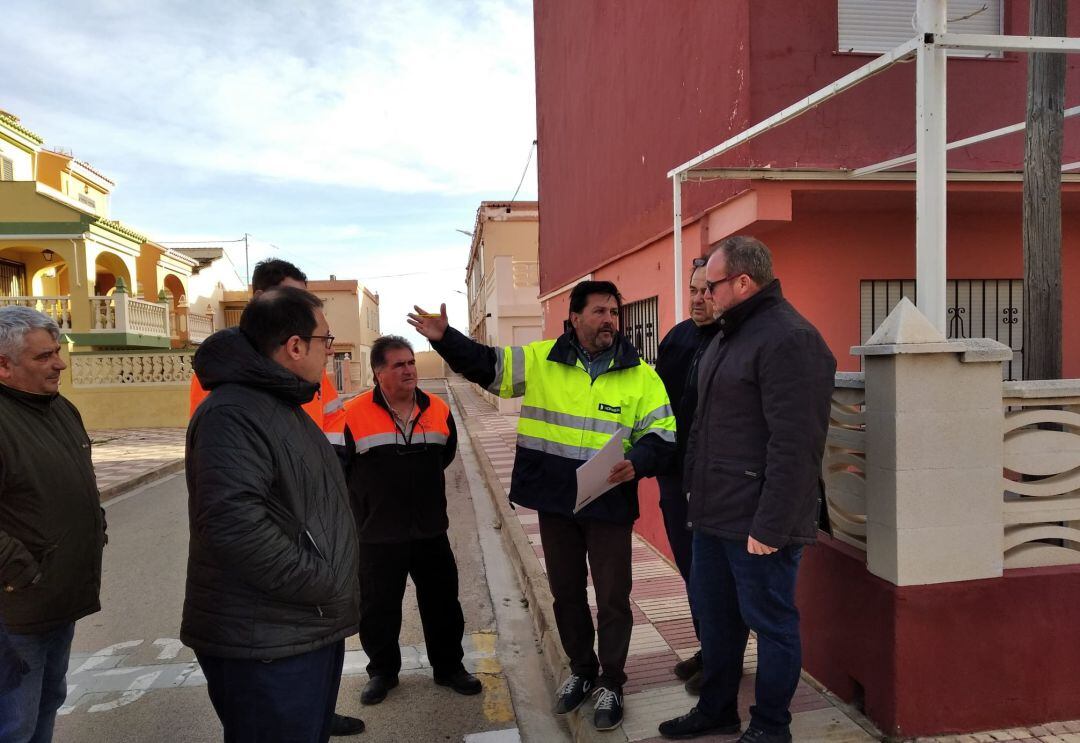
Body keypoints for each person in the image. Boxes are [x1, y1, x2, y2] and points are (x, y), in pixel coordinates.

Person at [409, 280, 676, 731]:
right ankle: (582, 670)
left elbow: (662, 435)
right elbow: (487, 366)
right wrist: (445, 338)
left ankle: (611, 681)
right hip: (557, 503)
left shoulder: (641, 374)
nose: (609, 319)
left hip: (609, 504)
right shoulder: (540, 360)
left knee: (613, 598)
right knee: (567, 594)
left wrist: (638, 461)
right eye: (599, 311)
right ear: (573, 318)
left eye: (614, 312)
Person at [658, 237, 836, 743]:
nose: (703, 295)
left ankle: (770, 727)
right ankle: (717, 709)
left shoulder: (789, 339)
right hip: (714, 514)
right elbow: (703, 428)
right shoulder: (724, 338)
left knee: (772, 623)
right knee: (717, 623)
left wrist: (773, 524)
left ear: (742, 282)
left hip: (760, 522)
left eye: (710, 285)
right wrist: (693, 490)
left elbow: (797, 444)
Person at [182, 287, 362, 742]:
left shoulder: (280, 403)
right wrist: (320, 581)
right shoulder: (234, 413)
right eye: (327, 339)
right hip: (267, 639)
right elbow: (233, 525)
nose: (331, 350)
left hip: (298, 626)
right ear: (295, 346)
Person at [327, 335, 481, 707]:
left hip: (431, 530)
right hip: (377, 533)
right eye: (399, 364)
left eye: (410, 362)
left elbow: (444, 455)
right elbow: (338, 469)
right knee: (378, 608)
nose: (409, 369)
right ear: (379, 373)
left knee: (443, 603)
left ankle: (448, 668)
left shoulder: (439, 409)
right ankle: (382, 672)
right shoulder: (351, 413)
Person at [0, 305, 107, 743]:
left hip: (57, 598)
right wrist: (20, 568)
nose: (59, 363)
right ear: (3, 365)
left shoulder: (61, 408)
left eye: (57, 352)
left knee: (45, 703)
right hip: (15, 609)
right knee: (14, 722)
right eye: (43, 357)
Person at [653, 255, 719, 695]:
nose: (698, 299)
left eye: (707, 291)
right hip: (674, 475)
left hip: (715, 479)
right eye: (693, 290)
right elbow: (657, 397)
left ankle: (721, 658)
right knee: (690, 568)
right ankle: (708, 647)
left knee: (714, 574)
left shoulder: (733, 339)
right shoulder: (677, 337)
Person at [188, 258, 342, 429]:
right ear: (259, 298)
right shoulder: (219, 371)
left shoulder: (311, 368)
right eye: (290, 299)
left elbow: (334, 422)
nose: (302, 309)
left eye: (304, 300)